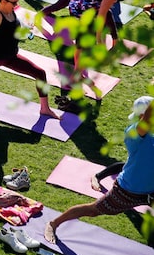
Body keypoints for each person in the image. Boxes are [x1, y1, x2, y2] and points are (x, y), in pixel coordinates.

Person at [45, 96, 153, 244]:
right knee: (92, 210)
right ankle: (54, 223)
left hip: (150, 191)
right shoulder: (133, 134)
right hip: (128, 191)